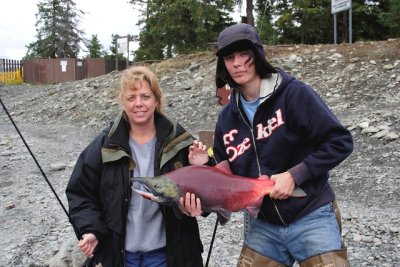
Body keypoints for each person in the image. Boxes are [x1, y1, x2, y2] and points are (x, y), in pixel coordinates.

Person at [212, 23, 354, 266]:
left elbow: (340, 141)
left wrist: (295, 175)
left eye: (244, 54)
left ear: (257, 54)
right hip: (265, 225)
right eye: (229, 57)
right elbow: (225, 173)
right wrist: (202, 168)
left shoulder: (294, 94)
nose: (237, 63)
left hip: (312, 214)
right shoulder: (226, 118)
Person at [65, 66, 206, 267]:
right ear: (123, 102)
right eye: (131, 98)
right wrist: (91, 230)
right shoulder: (104, 145)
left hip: (170, 255)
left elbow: (213, 193)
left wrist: (203, 166)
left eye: (145, 96)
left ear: (156, 100)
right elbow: (80, 193)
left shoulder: (180, 142)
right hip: (119, 256)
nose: (138, 104)